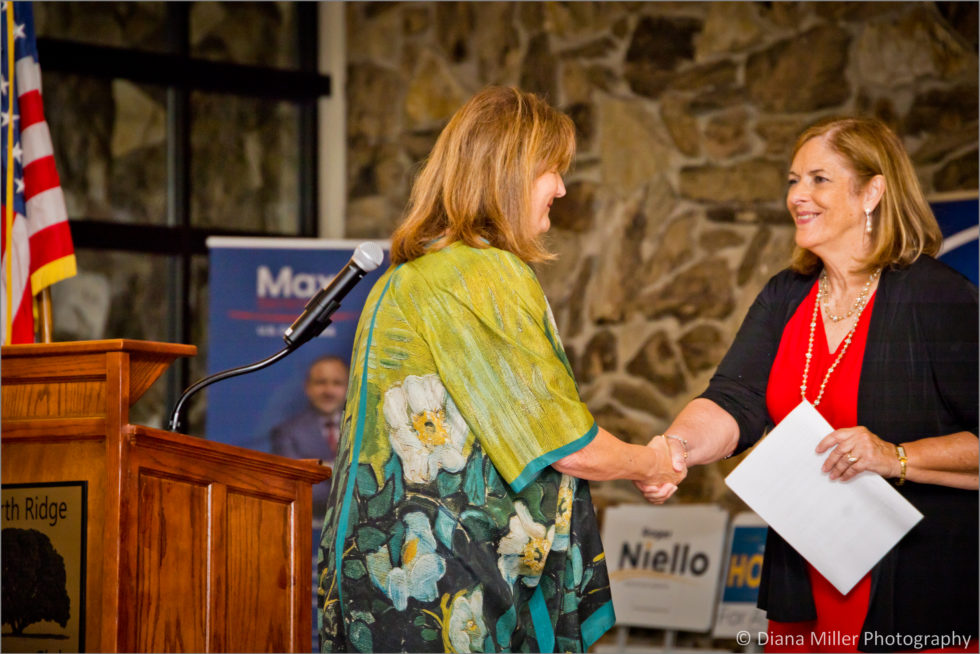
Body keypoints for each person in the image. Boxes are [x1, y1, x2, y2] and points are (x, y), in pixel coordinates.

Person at [316, 86, 685, 653]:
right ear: (507, 174)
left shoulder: (408, 277)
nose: (561, 188)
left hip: (377, 581)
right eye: (550, 170)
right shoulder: (479, 276)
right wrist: (651, 462)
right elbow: (562, 443)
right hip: (441, 586)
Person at [638, 117, 978, 653]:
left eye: (819, 179)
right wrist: (674, 447)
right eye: (794, 180)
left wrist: (895, 457)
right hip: (806, 587)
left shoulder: (936, 297)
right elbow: (733, 400)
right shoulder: (786, 294)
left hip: (916, 592)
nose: (798, 195)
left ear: (872, 192)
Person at [271, 355, 349, 513]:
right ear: (307, 387)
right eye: (321, 382)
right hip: (310, 520)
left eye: (337, 383)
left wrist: (322, 468)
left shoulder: (363, 429)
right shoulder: (286, 432)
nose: (329, 391)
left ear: (349, 388)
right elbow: (295, 487)